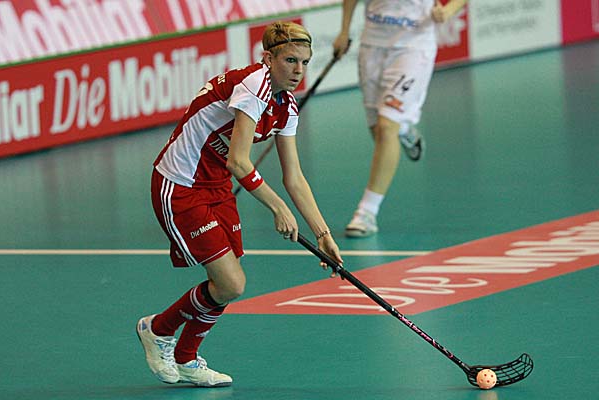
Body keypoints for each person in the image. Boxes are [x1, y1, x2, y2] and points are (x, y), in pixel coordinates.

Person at [136, 21, 343, 387]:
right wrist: (278, 208)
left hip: (216, 186)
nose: (298, 70)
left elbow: (294, 177)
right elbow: (239, 162)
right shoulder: (254, 85)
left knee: (228, 284)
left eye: (305, 62)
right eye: (290, 60)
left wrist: (323, 234)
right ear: (268, 58)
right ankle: (158, 330)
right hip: (180, 183)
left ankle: (185, 357)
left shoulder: (285, 106)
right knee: (231, 283)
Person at [333, 0, 468, 237]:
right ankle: (404, 128)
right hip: (372, 46)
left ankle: (366, 212)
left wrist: (447, 11)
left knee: (387, 128)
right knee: (379, 131)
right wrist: (344, 30)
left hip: (414, 46)